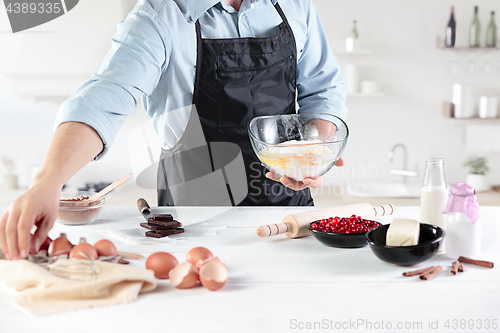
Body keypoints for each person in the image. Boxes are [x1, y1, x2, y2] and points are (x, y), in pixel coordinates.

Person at [0, 0, 347, 260]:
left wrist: (311, 151)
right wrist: (46, 182)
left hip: (288, 218)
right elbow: (103, 99)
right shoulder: (159, 16)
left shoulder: (294, 4)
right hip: (192, 223)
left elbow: (323, 88)